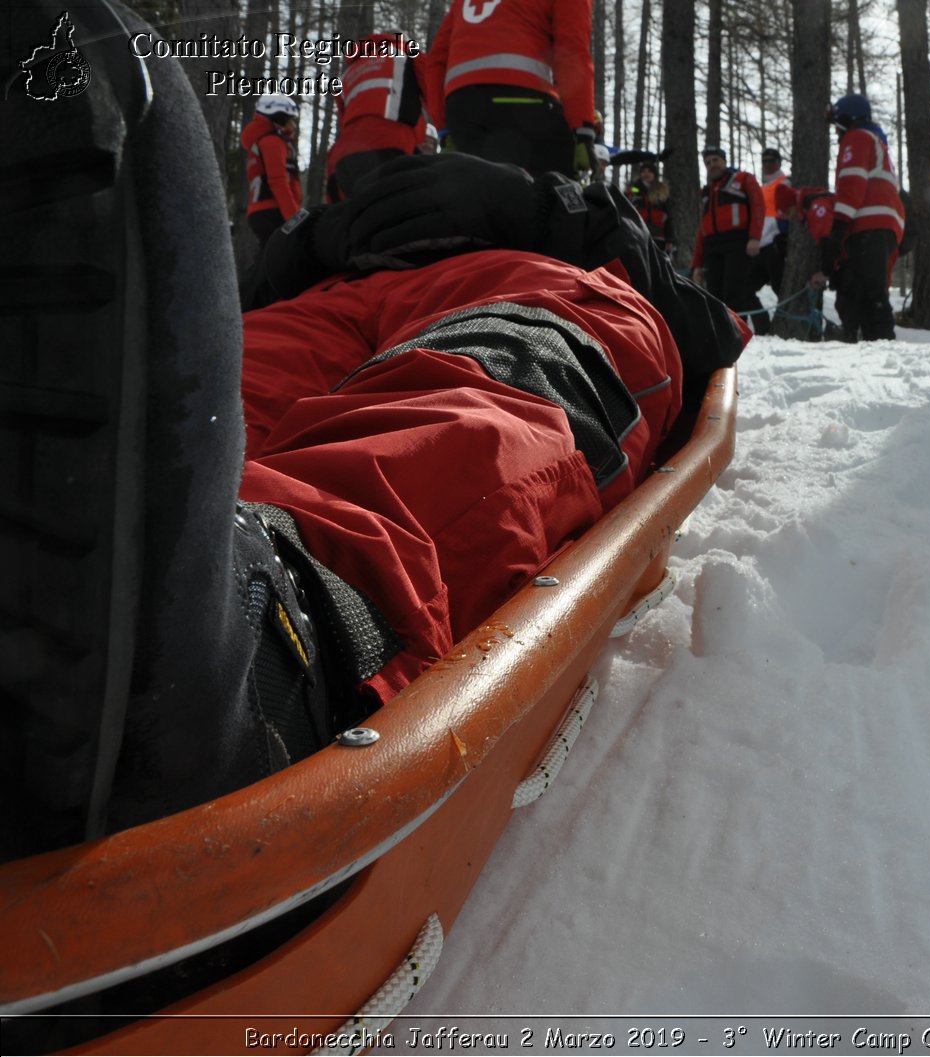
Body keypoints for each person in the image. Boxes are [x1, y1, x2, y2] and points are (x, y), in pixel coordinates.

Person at [2, 0, 747, 861]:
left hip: (527, 282)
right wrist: (315, 238)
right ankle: (132, 573)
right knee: (195, 420)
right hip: (326, 298)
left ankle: (258, 644)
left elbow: (713, 332)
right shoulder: (382, 182)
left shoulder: (566, 197)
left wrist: (562, 215)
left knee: (457, 405)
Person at [416, 0, 598, 177]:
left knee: (478, 191)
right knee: (558, 186)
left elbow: (436, 60)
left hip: (463, 107)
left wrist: (444, 128)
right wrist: (583, 130)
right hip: (524, 100)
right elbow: (572, 51)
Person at [809, 93, 905, 343]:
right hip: (880, 224)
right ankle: (869, 344)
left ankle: (883, 347)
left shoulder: (857, 138)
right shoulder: (873, 140)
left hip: (869, 224)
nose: (836, 131)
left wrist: (838, 227)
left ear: (847, 117)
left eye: (837, 122)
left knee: (871, 292)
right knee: (863, 289)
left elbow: (852, 184)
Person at [324, 32, 428, 202]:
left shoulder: (347, 75)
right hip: (391, 149)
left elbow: (346, 122)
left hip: (343, 160)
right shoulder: (408, 58)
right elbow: (437, 94)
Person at [692, 146, 769, 335]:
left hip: (737, 242)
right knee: (715, 294)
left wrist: (754, 238)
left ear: (724, 161)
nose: (712, 165)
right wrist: (697, 264)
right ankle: (722, 334)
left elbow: (759, 207)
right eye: (708, 163)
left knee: (734, 291)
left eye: (715, 160)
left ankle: (738, 333)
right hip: (712, 246)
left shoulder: (743, 179)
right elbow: (701, 229)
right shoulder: (706, 192)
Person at [242, 93, 302, 247]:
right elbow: (278, 181)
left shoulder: (260, 143)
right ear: (279, 118)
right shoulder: (272, 142)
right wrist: (295, 218)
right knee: (286, 259)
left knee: (267, 259)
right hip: (274, 211)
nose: (293, 126)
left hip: (261, 211)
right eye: (290, 120)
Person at [757, 146, 792, 299]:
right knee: (745, 288)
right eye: (764, 161)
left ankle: (788, 320)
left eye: (771, 161)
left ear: (779, 163)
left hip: (775, 244)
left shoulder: (785, 182)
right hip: (761, 244)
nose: (767, 164)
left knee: (780, 288)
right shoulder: (762, 187)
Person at [627, 159, 674, 258]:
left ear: (654, 174)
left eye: (649, 171)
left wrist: (669, 239)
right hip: (638, 234)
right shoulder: (635, 189)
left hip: (658, 236)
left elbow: (669, 217)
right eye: (643, 171)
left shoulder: (661, 191)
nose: (646, 174)